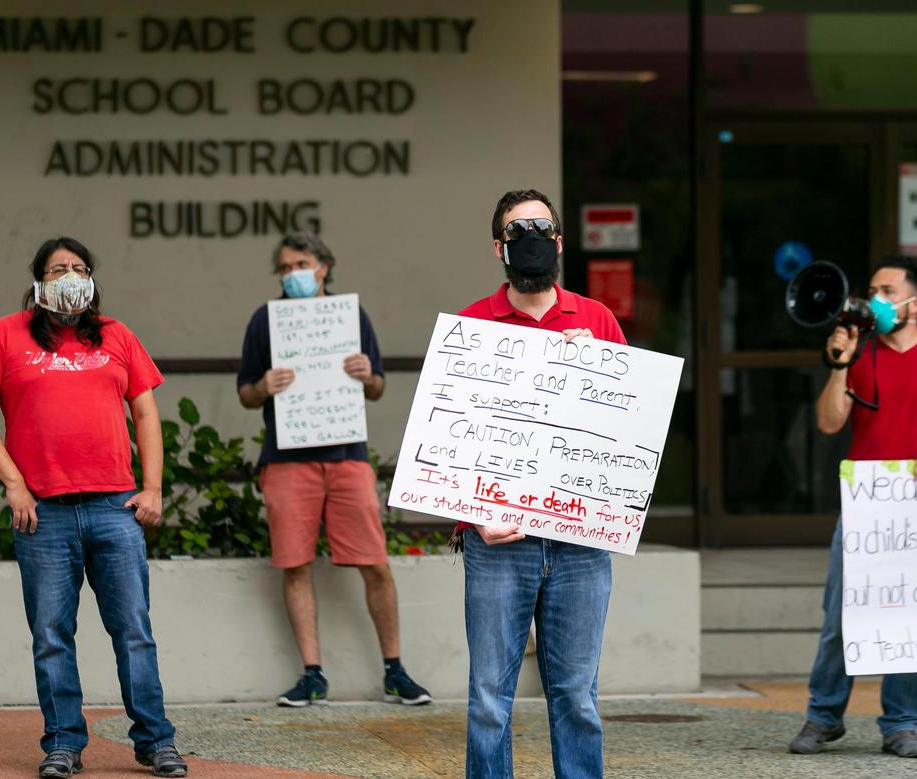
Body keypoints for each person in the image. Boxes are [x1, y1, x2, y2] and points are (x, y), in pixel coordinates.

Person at [0, 237, 187, 779]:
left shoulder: (116, 335)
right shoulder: (3, 334)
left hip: (115, 507)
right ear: (38, 281)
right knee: (51, 635)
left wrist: (152, 488)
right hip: (45, 513)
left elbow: (147, 414)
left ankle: (156, 742)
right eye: (58, 268)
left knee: (133, 630)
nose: (69, 276)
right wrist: (14, 482)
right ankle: (63, 743)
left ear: (92, 278)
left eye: (80, 268)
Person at [453, 189, 627, 779]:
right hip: (498, 543)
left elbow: (626, 432)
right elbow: (450, 437)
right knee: (487, 700)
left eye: (540, 227)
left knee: (577, 697)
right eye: (515, 228)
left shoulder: (597, 320)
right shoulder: (472, 325)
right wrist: (472, 512)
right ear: (499, 246)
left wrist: (596, 368)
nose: (529, 236)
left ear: (558, 241)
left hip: (579, 544)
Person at [788, 255, 917, 759]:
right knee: (840, 613)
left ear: (914, 303)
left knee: (911, 615)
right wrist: (840, 365)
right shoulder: (860, 353)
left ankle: (901, 722)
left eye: (885, 290)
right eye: (871, 289)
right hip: (867, 507)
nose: (874, 298)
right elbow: (831, 423)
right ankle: (823, 717)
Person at [237, 231, 430, 707]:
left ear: (323, 266)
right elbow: (245, 393)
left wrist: (368, 374)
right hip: (287, 458)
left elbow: (379, 386)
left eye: (300, 264)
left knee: (375, 563)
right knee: (294, 564)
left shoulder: (349, 316)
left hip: (346, 455)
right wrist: (264, 386)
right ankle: (312, 674)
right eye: (284, 268)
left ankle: (394, 670)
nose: (293, 274)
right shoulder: (267, 320)